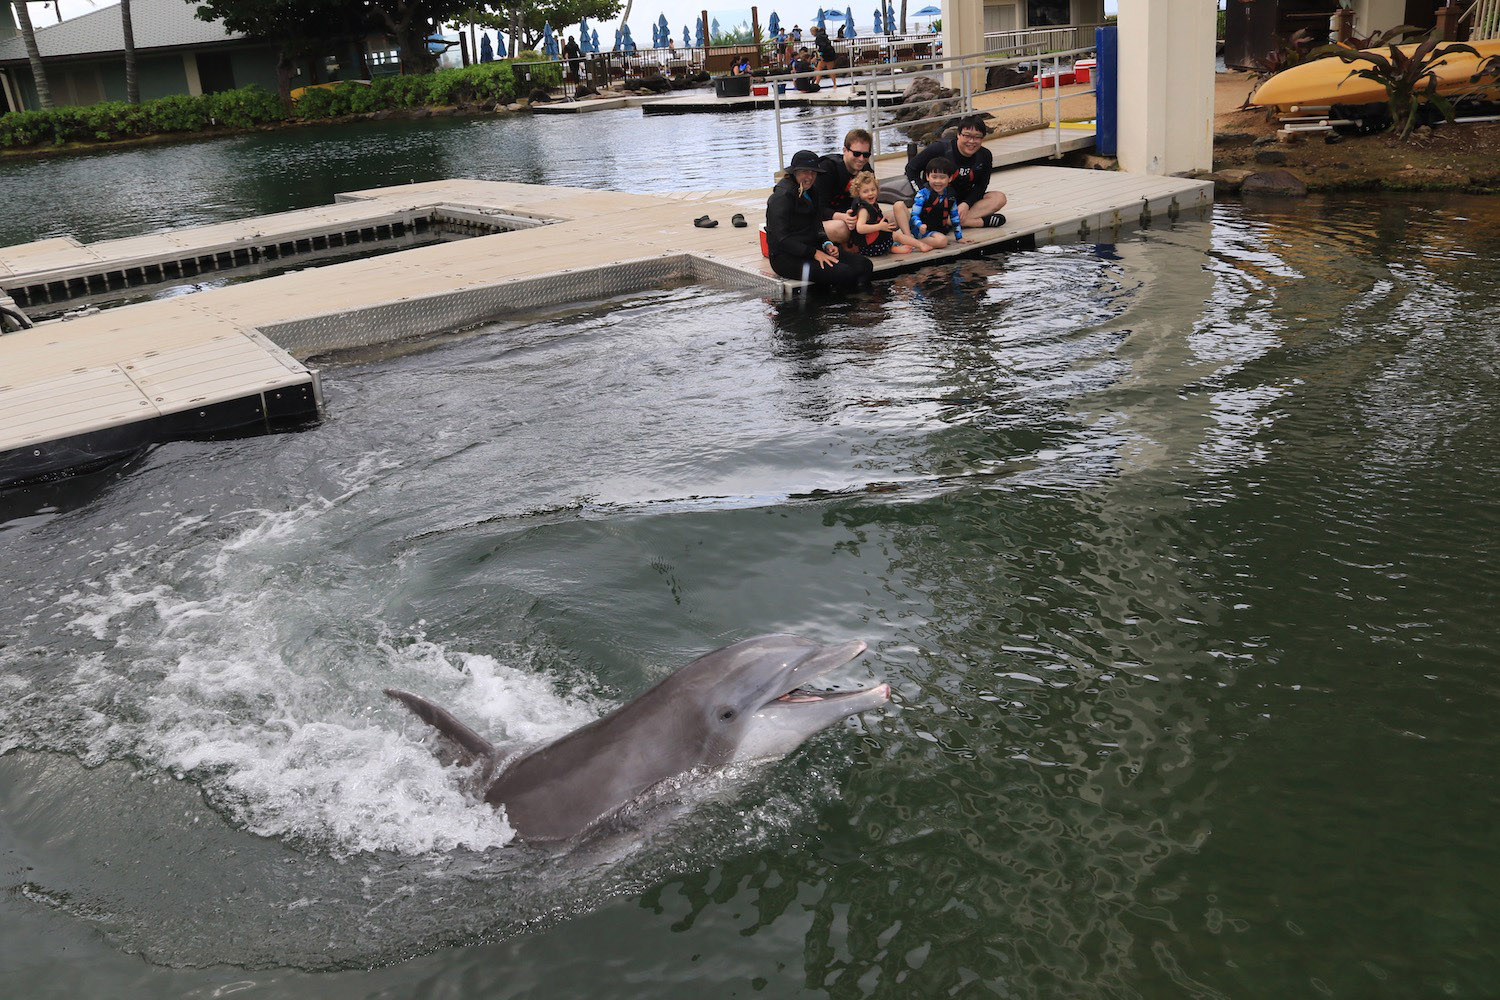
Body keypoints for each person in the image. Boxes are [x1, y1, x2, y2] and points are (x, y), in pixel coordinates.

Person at [765, 149, 874, 289]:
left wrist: (826, 244)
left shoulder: (812, 191)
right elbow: (781, 239)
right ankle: (838, 307)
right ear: (794, 172)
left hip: (812, 249)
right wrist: (814, 253)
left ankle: (859, 303)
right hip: (786, 257)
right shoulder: (782, 197)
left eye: (813, 172)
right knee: (843, 273)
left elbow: (817, 225)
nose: (809, 177)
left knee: (864, 265)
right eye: (805, 172)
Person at [903, 115, 1008, 231]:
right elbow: (911, 168)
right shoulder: (940, 149)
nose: (972, 141)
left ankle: (948, 221)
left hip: (961, 203)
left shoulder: (985, 156)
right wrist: (922, 193)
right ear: (958, 134)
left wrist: (966, 204)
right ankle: (978, 222)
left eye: (977, 137)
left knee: (999, 198)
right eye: (967, 136)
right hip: (937, 200)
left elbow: (981, 186)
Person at [811, 127, 875, 246]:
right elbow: (817, 207)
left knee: (892, 217)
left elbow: (870, 202)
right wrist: (842, 217)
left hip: (852, 217)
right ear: (845, 150)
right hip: (823, 219)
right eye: (856, 154)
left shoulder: (866, 170)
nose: (861, 159)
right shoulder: (827, 169)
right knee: (841, 228)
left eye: (866, 155)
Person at [893, 157, 969, 251]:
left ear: (950, 178)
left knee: (943, 241)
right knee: (898, 205)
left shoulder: (951, 196)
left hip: (932, 232)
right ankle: (908, 239)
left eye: (942, 177)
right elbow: (914, 215)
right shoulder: (923, 194)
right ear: (927, 177)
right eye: (934, 177)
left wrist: (959, 237)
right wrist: (920, 225)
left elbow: (955, 217)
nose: (938, 181)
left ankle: (911, 243)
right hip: (917, 228)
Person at [848, 172, 912, 257]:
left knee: (893, 229)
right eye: (865, 191)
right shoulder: (863, 210)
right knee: (895, 235)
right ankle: (913, 244)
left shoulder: (871, 204)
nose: (870, 193)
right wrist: (879, 226)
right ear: (858, 193)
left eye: (873, 190)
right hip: (872, 247)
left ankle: (909, 242)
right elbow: (860, 228)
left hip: (876, 241)